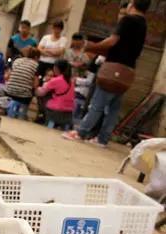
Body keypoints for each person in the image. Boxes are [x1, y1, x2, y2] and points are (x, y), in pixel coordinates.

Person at [63, 0, 149, 147]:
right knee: (114, 108)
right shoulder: (143, 24)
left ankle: (81, 132)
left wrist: (92, 46)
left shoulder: (128, 20)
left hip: (113, 69)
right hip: (128, 71)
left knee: (97, 103)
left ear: (132, 4)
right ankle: (102, 139)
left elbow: (112, 41)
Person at [36, 59, 75, 129]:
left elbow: (41, 93)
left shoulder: (56, 80)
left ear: (56, 68)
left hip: (56, 112)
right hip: (69, 112)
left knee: (43, 97)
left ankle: (42, 118)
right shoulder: (71, 81)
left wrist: (35, 87)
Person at [4, 47, 40, 119]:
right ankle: (22, 114)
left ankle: (9, 111)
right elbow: (35, 84)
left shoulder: (17, 61)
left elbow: (7, 76)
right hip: (23, 96)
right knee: (30, 93)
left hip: (9, 91)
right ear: (36, 57)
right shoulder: (36, 65)